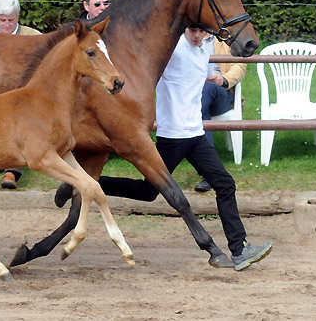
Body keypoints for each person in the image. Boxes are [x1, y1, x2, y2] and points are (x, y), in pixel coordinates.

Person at [56, 26, 272, 271]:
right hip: (173, 136)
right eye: (191, 30)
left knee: (224, 183)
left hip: (196, 135)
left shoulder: (203, 51)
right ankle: (86, 182)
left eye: (201, 31)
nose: (196, 35)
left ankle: (239, 249)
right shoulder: (174, 48)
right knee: (149, 192)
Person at [0, 0, 42, 189]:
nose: (7, 24)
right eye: (2, 20)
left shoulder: (34, 37)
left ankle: (11, 171)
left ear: (18, 17)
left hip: (22, 94)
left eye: (11, 20)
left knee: (19, 121)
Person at [195, 37, 247, 192]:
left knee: (206, 90)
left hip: (219, 92)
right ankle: (210, 171)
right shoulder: (187, 39)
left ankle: (206, 170)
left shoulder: (225, 38)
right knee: (200, 108)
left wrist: (223, 79)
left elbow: (240, 65)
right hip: (193, 94)